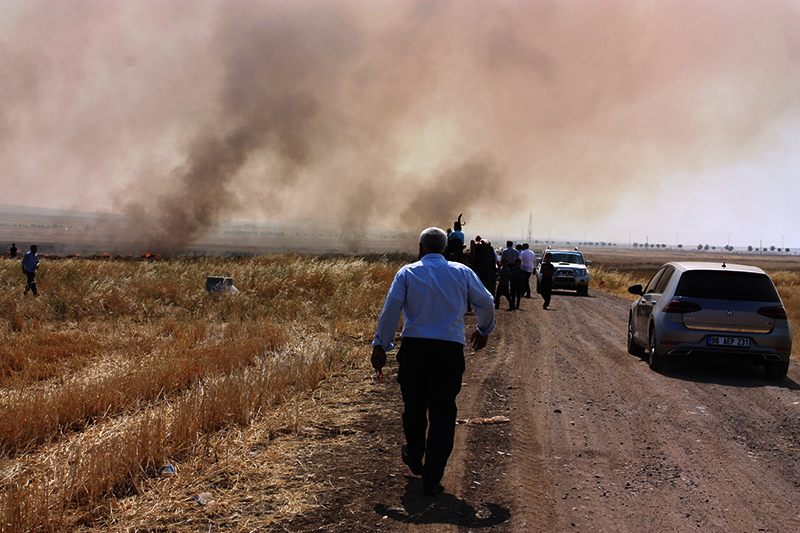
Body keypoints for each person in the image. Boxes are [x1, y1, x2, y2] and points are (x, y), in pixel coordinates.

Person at [371, 227, 495, 496]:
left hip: (415, 350)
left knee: (414, 408)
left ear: (420, 248)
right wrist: (484, 330)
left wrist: (381, 344)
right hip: (449, 351)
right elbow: (486, 302)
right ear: (447, 249)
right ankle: (432, 475)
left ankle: (415, 456)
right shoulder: (462, 272)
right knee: (443, 412)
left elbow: (391, 309)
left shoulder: (407, 272)